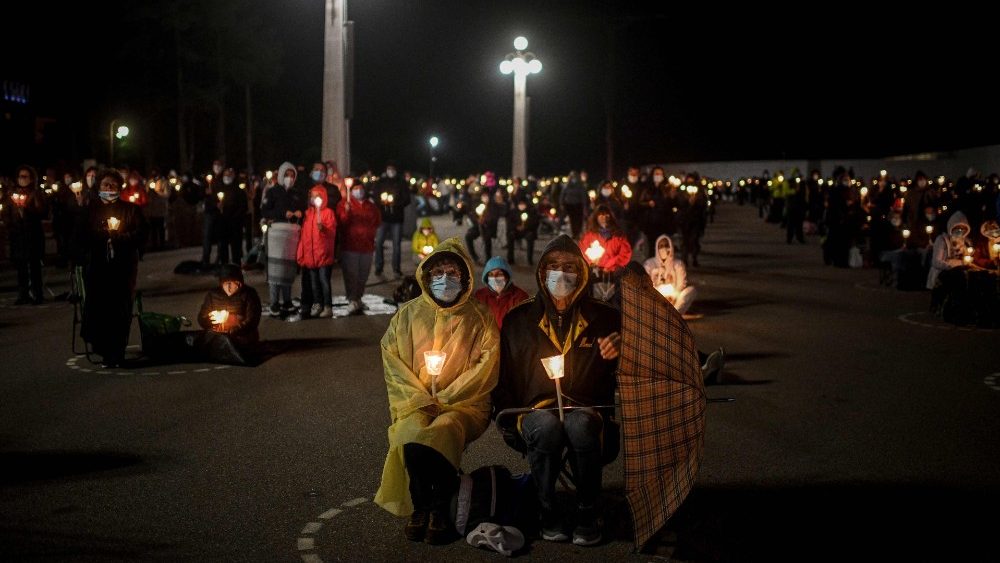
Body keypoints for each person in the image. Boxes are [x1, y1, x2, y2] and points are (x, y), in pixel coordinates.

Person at [493, 234, 622, 546]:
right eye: (553, 266)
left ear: (581, 272)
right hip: (535, 409)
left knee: (580, 424)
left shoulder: (605, 317)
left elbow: (633, 372)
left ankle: (587, 509)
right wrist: (508, 421)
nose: (560, 273)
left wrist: (624, 349)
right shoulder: (518, 320)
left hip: (587, 406)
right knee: (548, 426)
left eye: (568, 266)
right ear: (541, 272)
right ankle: (547, 508)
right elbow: (504, 378)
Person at [375, 238, 499, 545]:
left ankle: (440, 508)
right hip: (415, 401)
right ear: (427, 277)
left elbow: (486, 367)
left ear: (465, 276)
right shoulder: (407, 315)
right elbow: (393, 362)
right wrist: (421, 399)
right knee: (411, 437)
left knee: (443, 431)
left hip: (463, 404)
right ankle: (422, 507)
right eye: (438, 272)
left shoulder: (480, 317)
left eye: (453, 271)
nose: (445, 278)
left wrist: (447, 397)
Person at [75, 169, 148, 367]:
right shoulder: (90, 210)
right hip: (98, 267)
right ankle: (103, 348)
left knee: (119, 309)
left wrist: (119, 238)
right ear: (99, 187)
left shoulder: (130, 210)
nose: (109, 188)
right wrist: (103, 235)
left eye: (113, 185)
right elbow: (81, 235)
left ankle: (117, 351)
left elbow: (140, 234)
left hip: (122, 268)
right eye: (106, 185)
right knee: (99, 308)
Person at [260, 161, 305, 317]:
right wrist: (281, 214)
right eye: (286, 175)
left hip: (291, 234)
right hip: (276, 235)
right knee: (275, 269)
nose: (289, 178)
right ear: (280, 175)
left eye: (292, 175)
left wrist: (300, 213)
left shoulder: (296, 193)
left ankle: (287, 300)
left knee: (288, 269)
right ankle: (274, 302)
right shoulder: (273, 192)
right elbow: (265, 211)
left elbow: (303, 209)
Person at [196, 264, 262, 363]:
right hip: (218, 337)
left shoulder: (248, 294)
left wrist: (235, 329)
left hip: (241, 337)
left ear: (239, 283)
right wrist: (208, 321)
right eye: (227, 283)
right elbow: (201, 318)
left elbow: (253, 319)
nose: (230, 287)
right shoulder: (213, 295)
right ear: (221, 283)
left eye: (233, 283)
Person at [2, 165, 49, 304]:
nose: (22, 179)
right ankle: (23, 294)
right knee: (21, 266)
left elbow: (43, 212)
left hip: (32, 234)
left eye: (25, 176)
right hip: (18, 235)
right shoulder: (12, 194)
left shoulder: (36, 193)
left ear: (31, 178)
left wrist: (26, 209)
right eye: (20, 176)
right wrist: (10, 224)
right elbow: (6, 213)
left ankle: (37, 293)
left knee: (34, 265)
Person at [336, 178, 382, 315]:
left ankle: (358, 298)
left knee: (363, 275)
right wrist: (347, 212)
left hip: (367, 246)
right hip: (350, 246)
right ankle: (352, 299)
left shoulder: (370, 205)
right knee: (351, 275)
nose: (359, 191)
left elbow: (377, 221)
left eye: (360, 188)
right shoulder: (344, 203)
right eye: (355, 188)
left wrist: (370, 232)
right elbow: (342, 222)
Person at [292, 186, 337, 320]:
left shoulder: (328, 213)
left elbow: (331, 232)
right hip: (310, 256)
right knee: (314, 283)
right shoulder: (308, 214)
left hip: (323, 254)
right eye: (313, 195)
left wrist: (323, 229)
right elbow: (305, 236)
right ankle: (317, 304)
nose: (315, 198)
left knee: (324, 281)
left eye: (318, 195)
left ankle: (327, 306)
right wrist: (302, 253)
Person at [374, 163, 411, 278]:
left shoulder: (401, 182)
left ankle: (396, 268)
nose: (391, 170)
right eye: (389, 168)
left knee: (396, 245)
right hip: (383, 218)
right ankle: (379, 267)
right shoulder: (381, 182)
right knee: (379, 242)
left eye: (393, 169)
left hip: (397, 218)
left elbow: (407, 199)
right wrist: (381, 202)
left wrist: (396, 203)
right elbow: (375, 196)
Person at [644, 235, 697, 315]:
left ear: (671, 246)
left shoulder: (678, 264)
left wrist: (674, 296)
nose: (664, 248)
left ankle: (675, 314)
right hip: (656, 298)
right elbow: (646, 285)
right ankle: (661, 313)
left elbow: (681, 284)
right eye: (661, 246)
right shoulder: (649, 264)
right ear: (656, 248)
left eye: (666, 245)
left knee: (691, 291)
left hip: (673, 298)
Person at [474, 256, 529, 329]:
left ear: (507, 277)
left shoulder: (520, 297)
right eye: (491, 275)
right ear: (486, 278)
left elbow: (522, 327)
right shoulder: (480, 296)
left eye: (499, 274)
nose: (495, 278)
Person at [927, 211, 972, 290]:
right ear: (951, 227)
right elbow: (936, 262)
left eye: (962, 229)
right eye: (957, 228)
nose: (960, 231)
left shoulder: (963, 241)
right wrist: (951, 266)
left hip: (958, 270)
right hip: (943, 272)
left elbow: (966, 257)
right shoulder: (941, 240)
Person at [217, 167, 248, 265]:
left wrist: (236, 218)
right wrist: (217, 206)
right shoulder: (219, 188)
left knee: (236, 248)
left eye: (229, 175)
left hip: (235, 224)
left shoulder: (238, 190)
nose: (227, 177)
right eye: (225, 174)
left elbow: (244, 206)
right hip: (222, 224)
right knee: (223, 247)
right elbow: (211, 203)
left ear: (234, 176)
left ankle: (236, 267)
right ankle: (224, 267)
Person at [506, 197, 540, 265]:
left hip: (527, 231)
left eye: (523, 204)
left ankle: (529, 259)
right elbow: (509, 222)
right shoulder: (513, 211)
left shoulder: (531, 211)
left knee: (530, 237)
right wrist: (516, 227)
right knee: (510, 236)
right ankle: (510, 258)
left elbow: (535, 222)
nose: (521, 205)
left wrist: (525, 227)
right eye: (520, 204)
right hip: (516, 231)